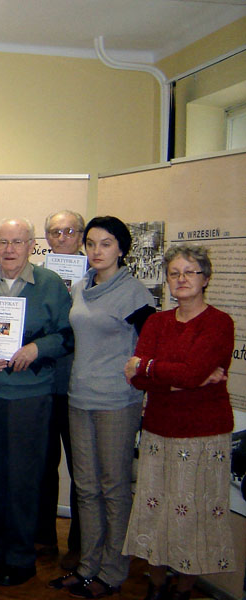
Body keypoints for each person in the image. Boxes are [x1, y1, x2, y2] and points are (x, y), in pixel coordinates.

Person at [0, 217, 73, 586]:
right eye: (3, 242)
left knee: (23, 478)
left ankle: (21, 555)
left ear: (31, 245)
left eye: (17, 242)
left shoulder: (50, 284)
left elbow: (67, 335)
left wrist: (37, 348)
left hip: (28, 396)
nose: (9, 250)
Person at [47, 217, 155, 598]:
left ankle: (112, 571)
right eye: (91, 243)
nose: (96, 251)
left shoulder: (135, 294)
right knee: (87, 487)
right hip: (80, 397)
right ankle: (87, 565)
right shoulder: (81, 287)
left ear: (121, 249)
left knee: (114, 488)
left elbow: (152, 345)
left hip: (117, 402)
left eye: (106, 244)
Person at [122, 244, 235, 600]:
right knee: (155, 511)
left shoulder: (218, 323)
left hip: (203, 435)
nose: (181, 279)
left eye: (190, 272)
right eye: (174, 273)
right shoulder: (157, 322)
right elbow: (138, 380)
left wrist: (150, 367)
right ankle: (156, 585)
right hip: (159, 430)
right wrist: (179, 378)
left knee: (195, 515)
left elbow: (185, 372)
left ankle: (184, 589)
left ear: (206, 278)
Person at [39, 209, 86, 568]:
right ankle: (44, 537)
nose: (61, 238)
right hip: (42, 384)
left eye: (69, 231)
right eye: (55, 232)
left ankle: (81, 543)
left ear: (81, 235)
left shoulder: (95, 276)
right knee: (43, 465)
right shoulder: (38, 278)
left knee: (81, 467)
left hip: (80, 386)